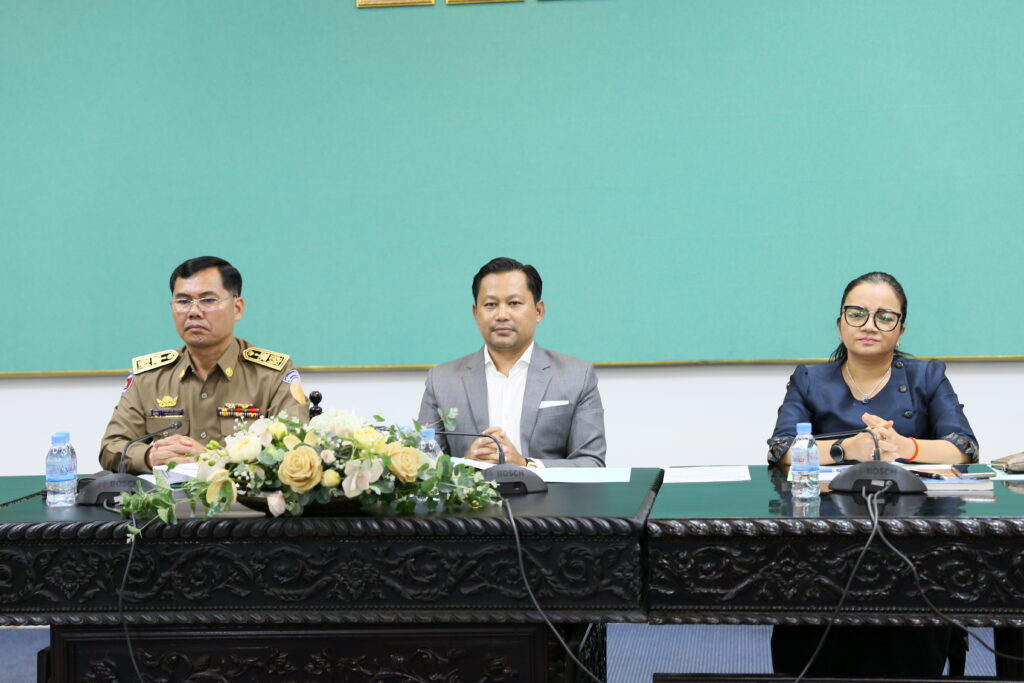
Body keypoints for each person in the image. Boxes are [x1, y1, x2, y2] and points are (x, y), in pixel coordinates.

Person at [767, 271, 978, 678]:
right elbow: (782, 450)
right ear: (840, 323)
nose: (869, 325)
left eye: (885, 316)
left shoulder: (927, 376)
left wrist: (904, 447)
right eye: (857, 313)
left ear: (900, 331)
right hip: (824, 537)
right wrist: (848, 448)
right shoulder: (809, 378)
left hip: (912, 537)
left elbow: (963, 447)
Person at [99, 256, 308, 474]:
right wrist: (149, 456)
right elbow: (111, 448)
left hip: (242, 496)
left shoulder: (272, 374)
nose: (194, 312)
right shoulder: (150, 377)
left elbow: (295, 449)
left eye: (208, 300)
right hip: (170, 494)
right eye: (183, 301)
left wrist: (215, 459)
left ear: (237, 308)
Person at [418, 257, 605, 468]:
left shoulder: (578, 377)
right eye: (490, 305)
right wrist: (466, 466)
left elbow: (592, 464)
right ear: (476, 313)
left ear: (539, 311)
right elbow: (423, 465)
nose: (502, 315)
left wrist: (527, 465)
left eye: (514, 303)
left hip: (547, 491)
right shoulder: (441, 381)